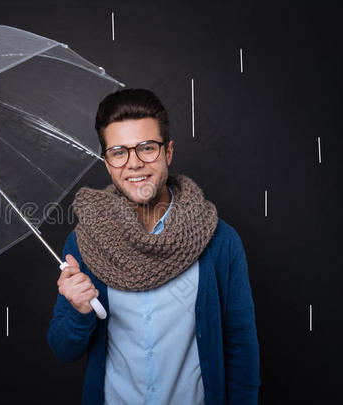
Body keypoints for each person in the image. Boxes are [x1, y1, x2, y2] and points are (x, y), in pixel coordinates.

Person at [47, 88, 260, 405]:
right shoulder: (85, 243)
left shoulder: (219, 241)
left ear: (168, 152)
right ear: (107, 162)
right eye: (119, 152)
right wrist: (80, 312)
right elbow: (63, 349)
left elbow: (240, 348)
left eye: (147, 148)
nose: (133, 164)